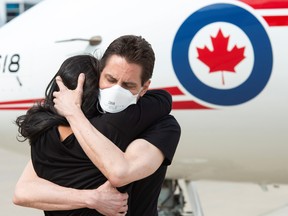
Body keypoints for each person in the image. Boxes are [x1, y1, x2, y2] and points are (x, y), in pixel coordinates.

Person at [14, 35, 181, 215]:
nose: (116, 90)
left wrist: (73, 112)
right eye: (110, 79)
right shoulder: (75, 128)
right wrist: (92, 198)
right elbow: (23, 192)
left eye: (128, 85)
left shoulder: (159, 125)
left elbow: (121, 172)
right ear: (99, 74)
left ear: (144, 88)